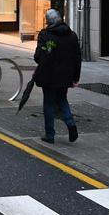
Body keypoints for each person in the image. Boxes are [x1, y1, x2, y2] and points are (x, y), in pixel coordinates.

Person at [34, 9, 82, 144]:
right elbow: (77, 58)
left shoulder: (45, 34)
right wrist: (75, 78)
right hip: (65, 76)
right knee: (62, 100)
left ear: (48, 21)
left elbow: (38, 57)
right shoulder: (72, 35)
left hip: (48, 76)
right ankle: (71, 124)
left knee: (49, 103)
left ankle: (50, 135)